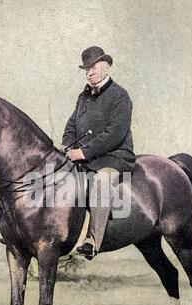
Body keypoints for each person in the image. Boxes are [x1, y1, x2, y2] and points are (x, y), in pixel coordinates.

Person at [62, 46, 136, 259]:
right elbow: (71, 125)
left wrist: (83, 152)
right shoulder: (83, 97)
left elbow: (115, 133)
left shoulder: (120, 96)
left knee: (101, 181)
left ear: (106, 66)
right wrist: (68, 147)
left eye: (93, 67)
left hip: (115, 157)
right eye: (86, 69)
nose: (89, 73)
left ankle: (92, 241)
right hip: (85, 157)